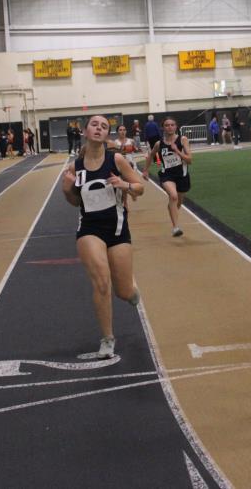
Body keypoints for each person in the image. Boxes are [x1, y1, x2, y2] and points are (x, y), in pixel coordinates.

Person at [60, 115, 143, 359]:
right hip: (89, 229)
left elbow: (139, 187)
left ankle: (131, 289)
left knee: (124, 292)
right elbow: (75, 201)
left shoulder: (116, 160)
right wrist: (67, 190)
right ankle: (107, 339)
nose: (99, 128)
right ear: (85, 131)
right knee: (102, 282)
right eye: (94, 125)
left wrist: (124, 185)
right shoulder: (75, 167)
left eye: (104, 126)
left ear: (107, 135)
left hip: (117, 230)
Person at [142, 117, 192, 237]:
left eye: (172, 125)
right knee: (173, 196)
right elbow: (151, 155)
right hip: (167, 175)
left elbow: (190, 160)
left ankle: (172, 209)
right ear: (163, 127)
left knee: (178, 202)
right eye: (167, 125)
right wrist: (145, 170)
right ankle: (175, 228)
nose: (170, 127)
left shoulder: (183, 140)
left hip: (182, 175)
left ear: (176, 126)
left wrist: (177, 151)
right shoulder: (159, 143)